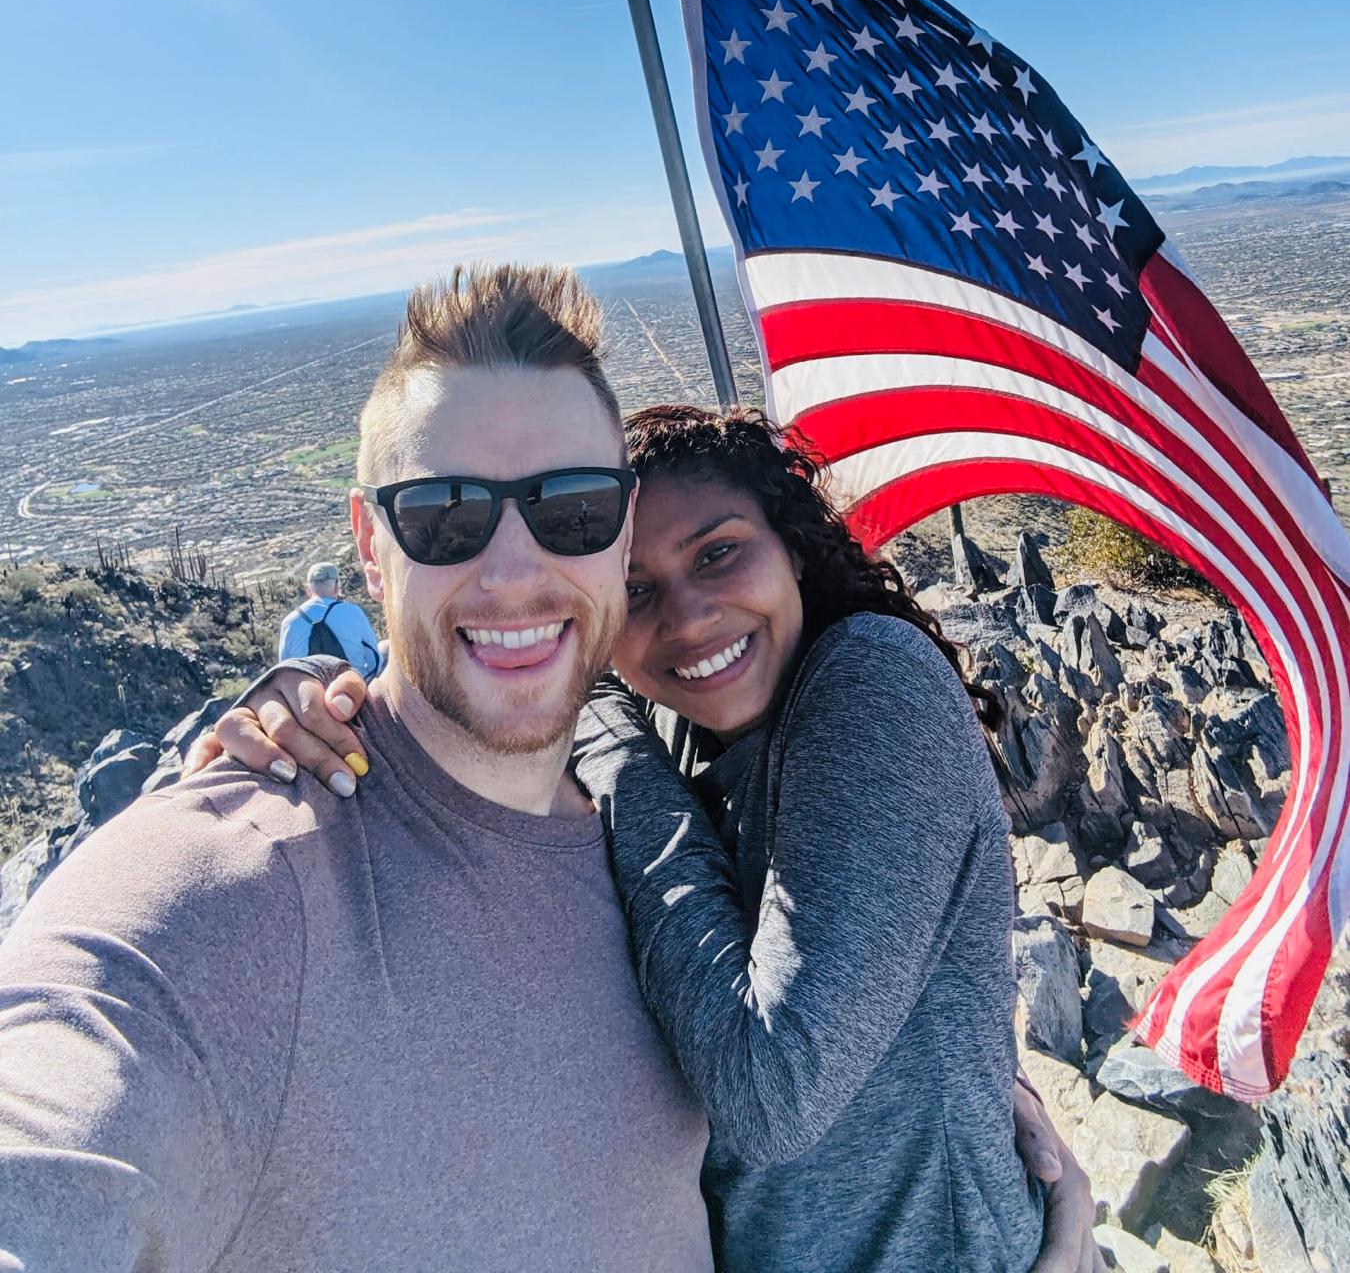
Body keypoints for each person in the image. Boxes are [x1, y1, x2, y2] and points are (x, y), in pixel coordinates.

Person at [193, 395, 1107, 1270]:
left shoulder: (870, 681)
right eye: (632, 591)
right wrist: (311, 696)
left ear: (792, 546)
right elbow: (457, 720)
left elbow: (771, 1090)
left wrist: (595, 718)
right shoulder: (675, 722)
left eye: (718, 554)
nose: (686, 616)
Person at [0, 266, 715, 1272]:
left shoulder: (672, 829)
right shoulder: (236, 894)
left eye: (574, 507)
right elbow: (60, 1100)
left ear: (624, 530)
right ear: (371, 546)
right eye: (445, 516)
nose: (514, 574)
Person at [276, 558, 380, 675]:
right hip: (354, 688)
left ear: (308, 589)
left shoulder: (289, 622)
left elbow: (283, 669)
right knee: (384, 648)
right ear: (337, 586)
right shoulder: (353, 612)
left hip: (310, 691)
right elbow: (374, 657)